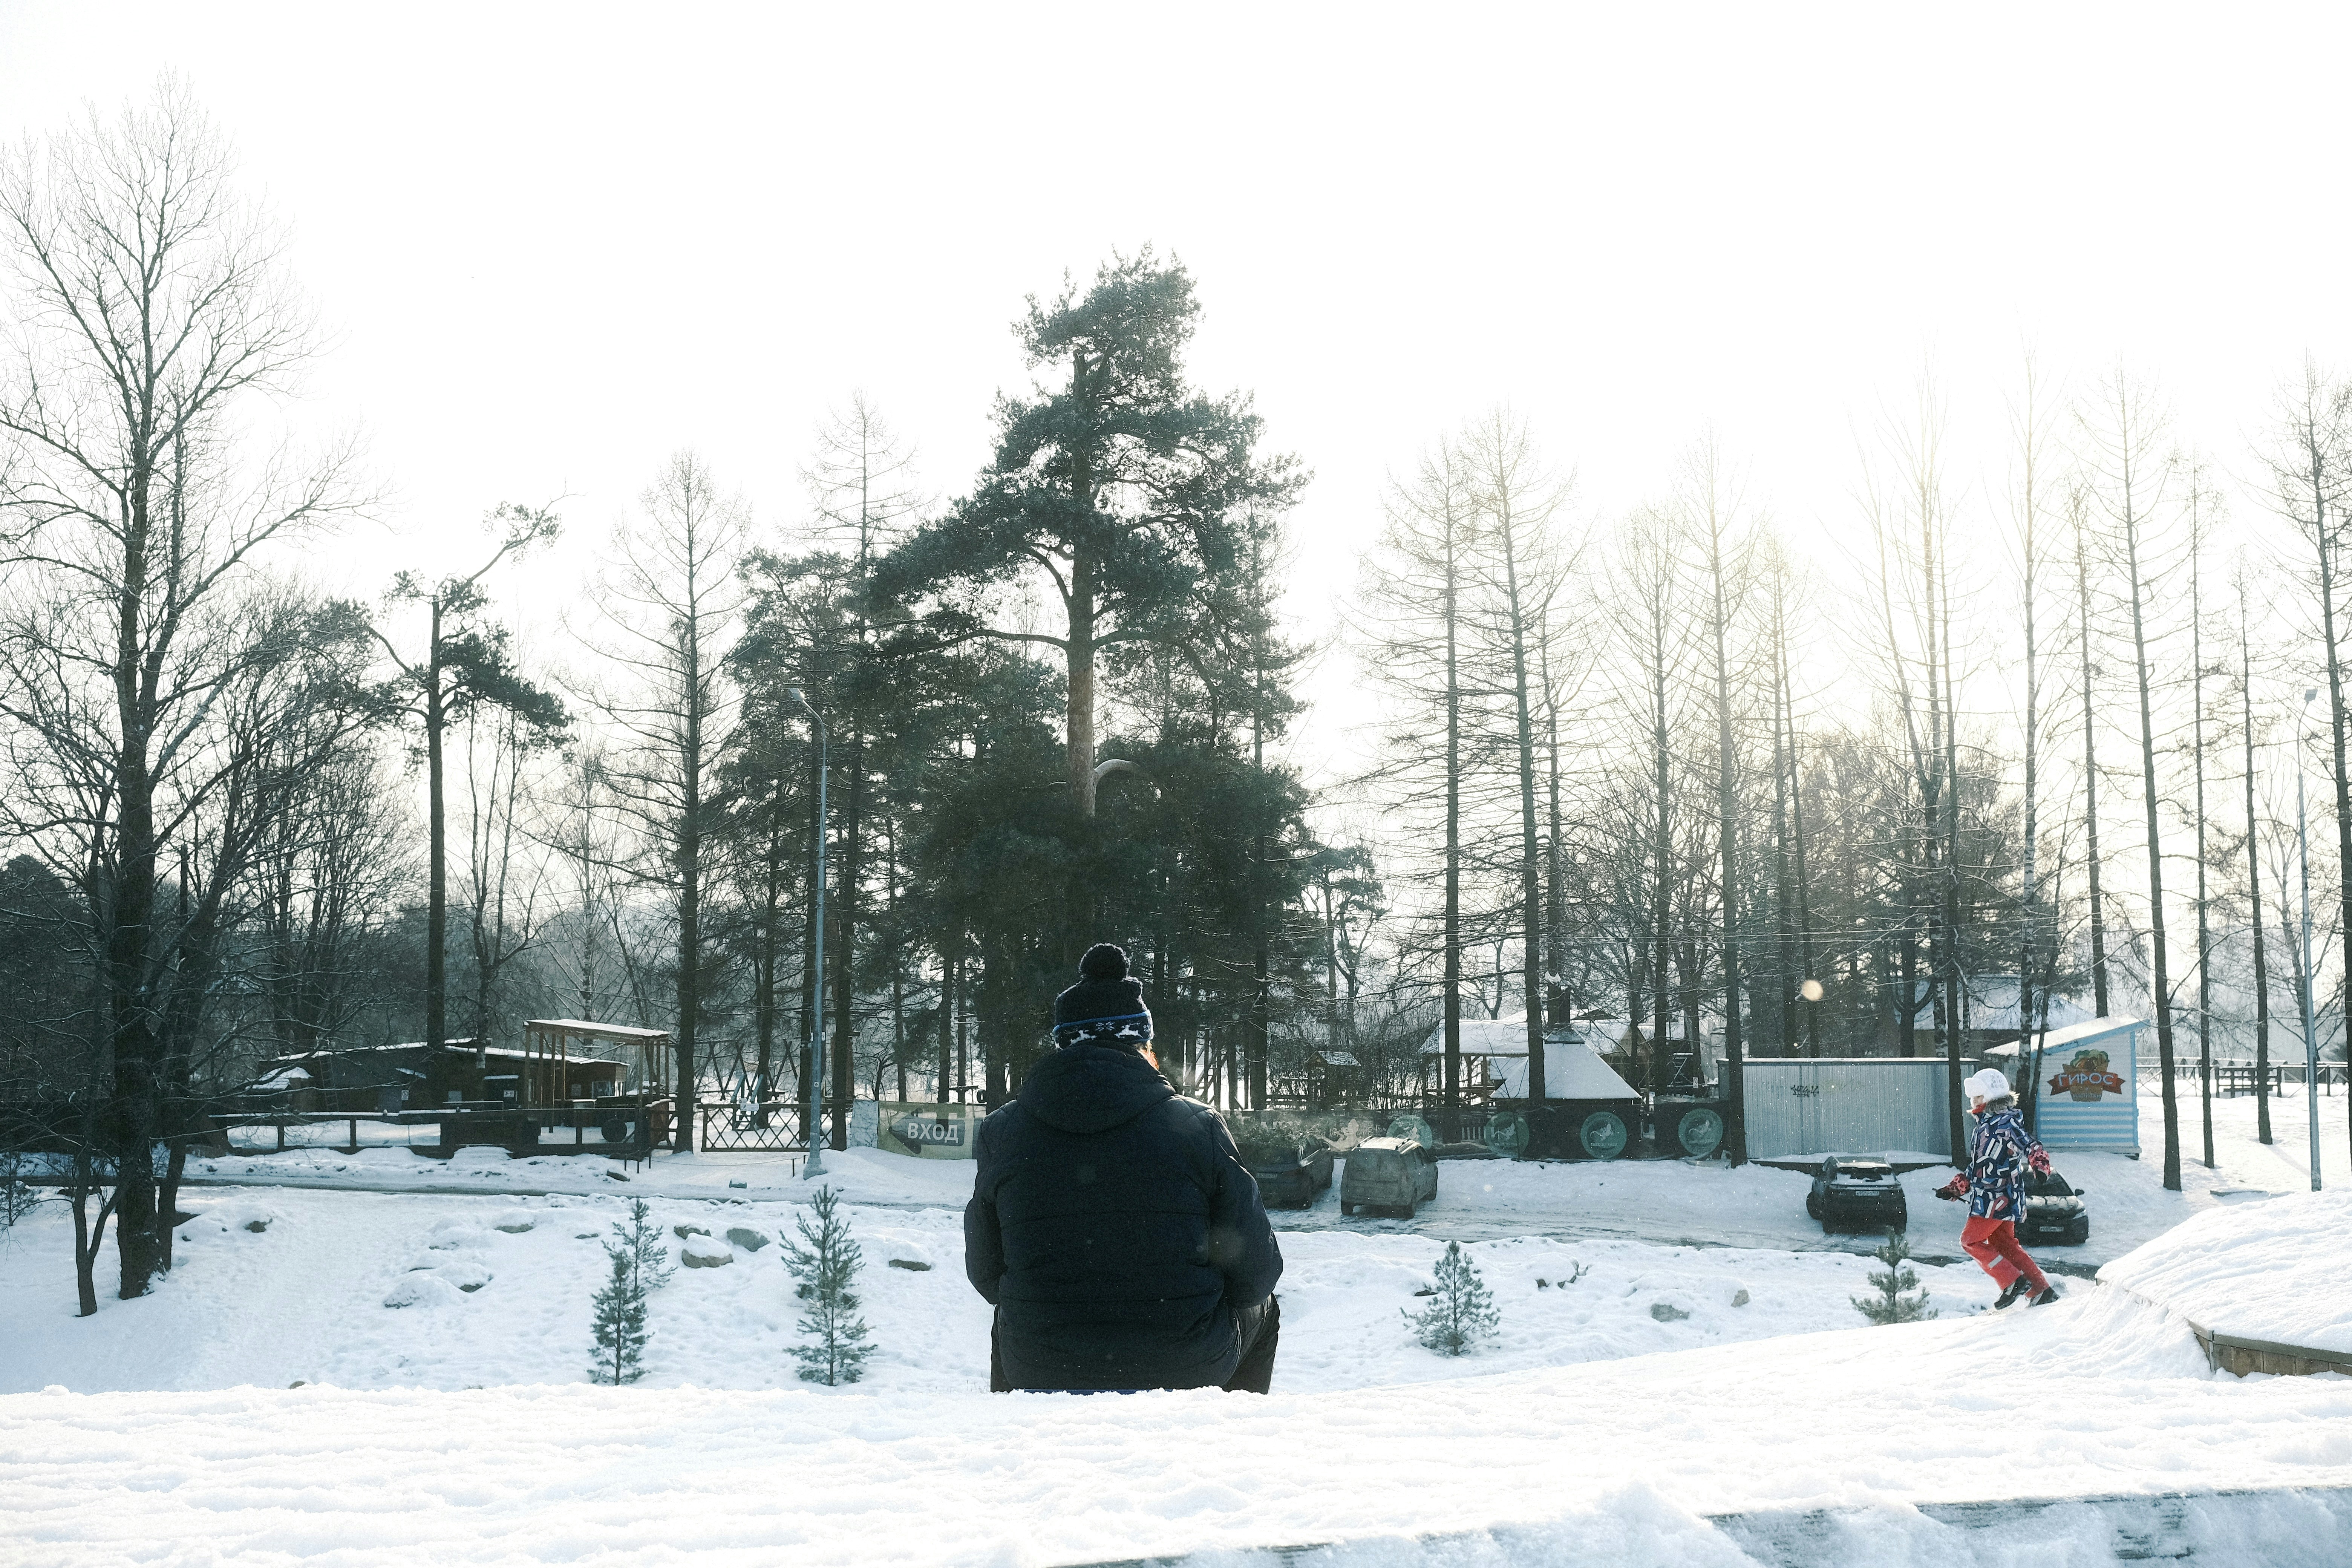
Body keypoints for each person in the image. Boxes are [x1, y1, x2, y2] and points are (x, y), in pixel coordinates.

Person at [964, 942, 1285, 1393]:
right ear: (1142, 1044)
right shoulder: (1196, 1125)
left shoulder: (1002, 1130)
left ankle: (1017, 1430)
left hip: (1043, 1365)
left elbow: (986, 1271)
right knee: (1266, 1306)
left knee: (1011, 1320)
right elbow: (1256, 1273)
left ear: (1063, 1044)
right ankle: (1229, 1438)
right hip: (1185, 1363)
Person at [1936, 1067, 2062, 1308]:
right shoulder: (1983, 1129)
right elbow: (1978, 1168)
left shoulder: (2005, 1124)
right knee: (2004, 1245)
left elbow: (2030, 1145)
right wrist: (1955, 1189)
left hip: (1997, 1199)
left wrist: (2040, 1167)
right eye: (1972, 1097)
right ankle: (2040, 1291)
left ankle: (2012, 1281)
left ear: (1993, 1097)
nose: (1974, 1102)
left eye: (1979, 1097)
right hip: (1998, 1198)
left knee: (1970, 1241)